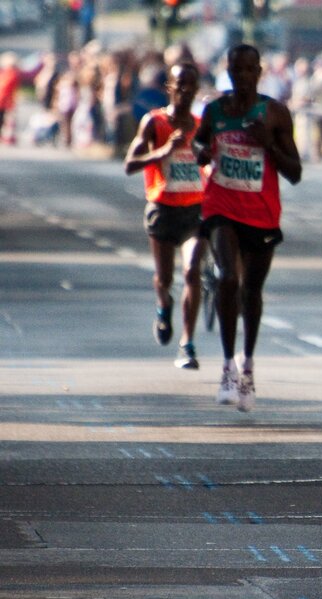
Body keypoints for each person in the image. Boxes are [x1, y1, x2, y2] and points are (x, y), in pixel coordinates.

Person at [192, 43, 302, 412]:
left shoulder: (274, 114)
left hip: (262, 213)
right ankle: (225, 367)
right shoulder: (215, 111)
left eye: (247, 70)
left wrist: (267, 143)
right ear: (228, 71)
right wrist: (201, 152)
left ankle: (247, 365)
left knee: (251, 291)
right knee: (227, 278)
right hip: (221, 206)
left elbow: (295, 173)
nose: (241, 76)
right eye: (234, 70)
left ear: (259, 72)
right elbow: (200, 144)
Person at [123, 61, 207, 370]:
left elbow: (213, 162)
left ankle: (187, 343)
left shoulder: (201, 125)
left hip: (196, 210)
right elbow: (130, 164)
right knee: (164, 279)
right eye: (180, 85)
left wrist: (208, 163)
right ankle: (164, 305)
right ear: (169, 88)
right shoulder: (154, 123)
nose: (185, 91)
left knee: (192, 272)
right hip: (162, 209)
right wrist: (161, 153)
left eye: (191, 85)